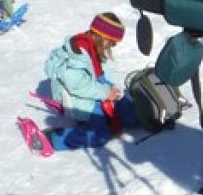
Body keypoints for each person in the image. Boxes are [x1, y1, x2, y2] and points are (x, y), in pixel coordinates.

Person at [19, 12, 138, 154]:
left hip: (96, 92)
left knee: (131, 116)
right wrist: (106, 92)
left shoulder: (93, 48)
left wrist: (110, 89)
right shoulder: (78, 52)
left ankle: (153, 115)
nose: (112, 47)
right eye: (112, 42)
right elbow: (77, 85)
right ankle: (51, 138)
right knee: (100, 136)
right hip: (80, 99)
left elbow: (99, 75)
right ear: (103, 37)